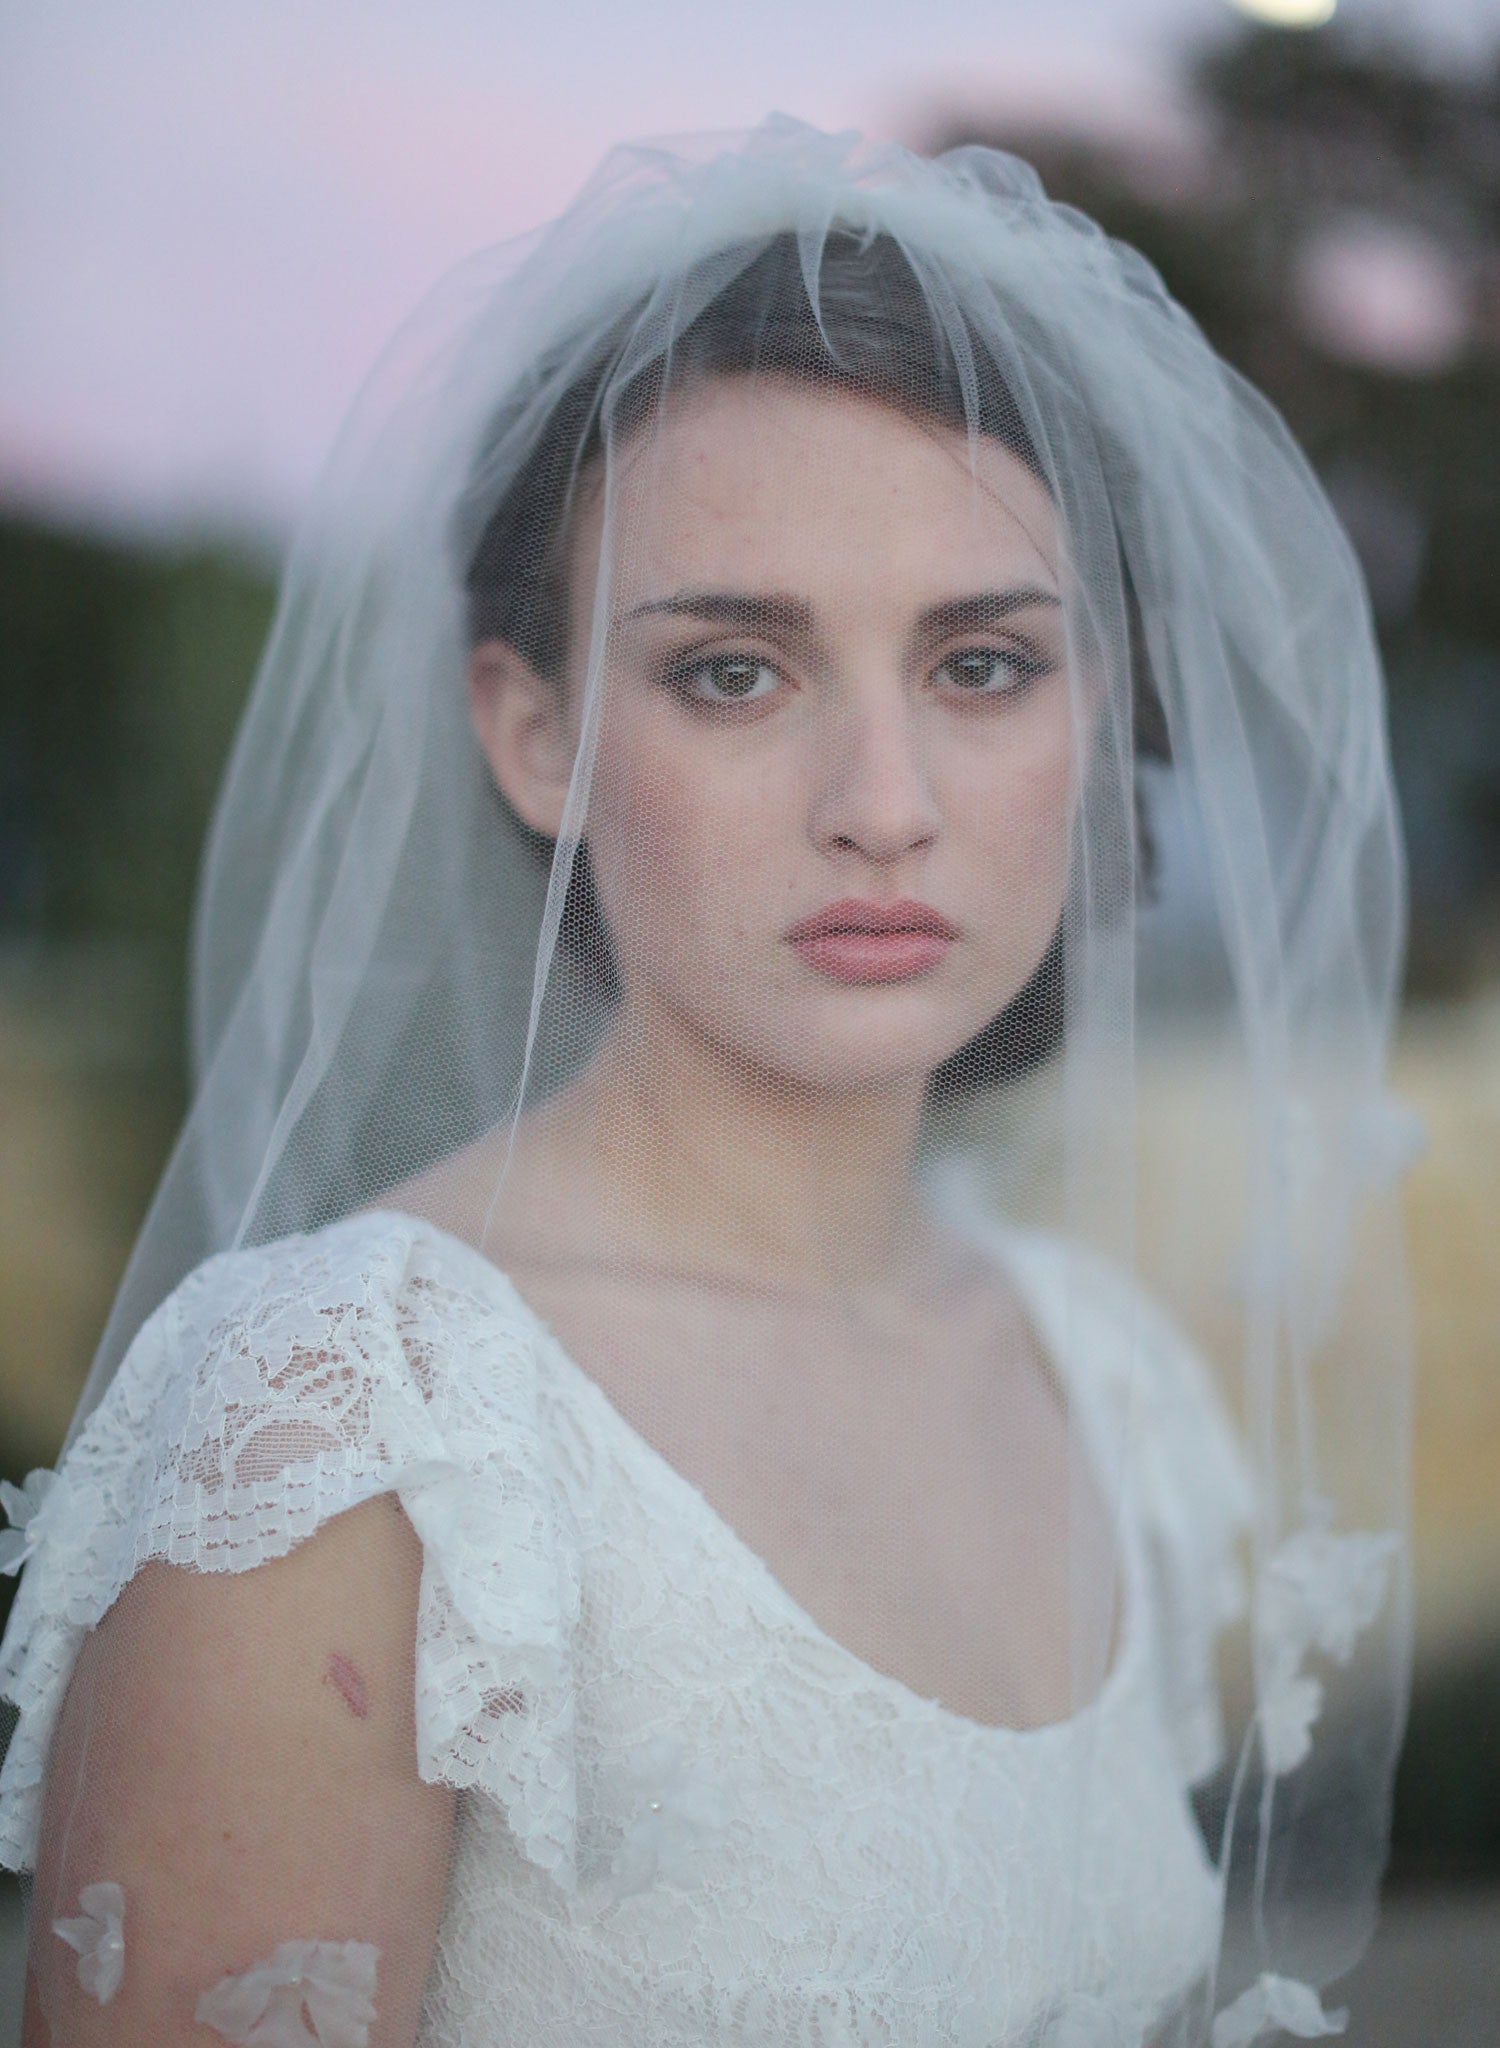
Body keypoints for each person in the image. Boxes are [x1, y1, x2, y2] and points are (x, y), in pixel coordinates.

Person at [0, 119, 1415, 2047]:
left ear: (1101, 710)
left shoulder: (1099, 1380)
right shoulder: (357, 1438)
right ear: (533, 732)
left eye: (983, 666)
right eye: (736, 672)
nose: (886, 808)